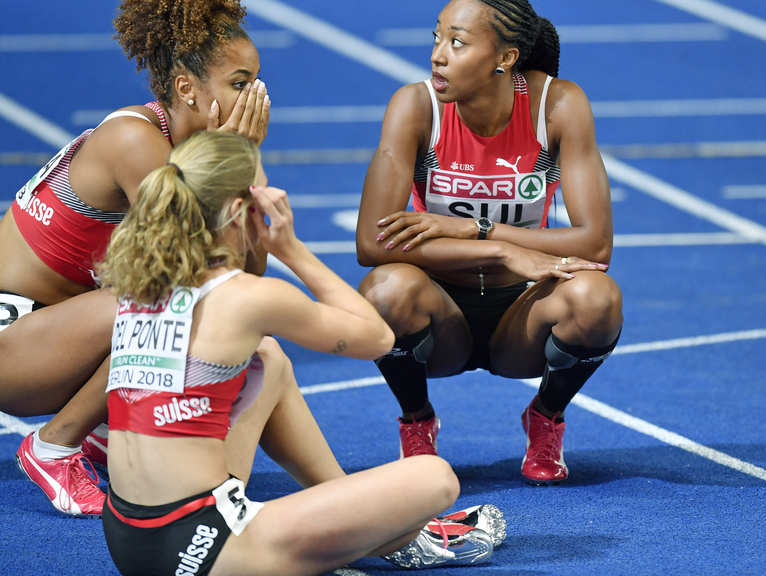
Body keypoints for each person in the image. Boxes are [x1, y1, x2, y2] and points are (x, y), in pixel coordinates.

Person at [99, 130, 503, 575]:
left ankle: (353, 521)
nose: (276, 195)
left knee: (269, 361)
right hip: (202, 546)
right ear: (239, 211)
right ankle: (373, 539)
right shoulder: (248, 298)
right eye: (264, 189)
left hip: (128, 536)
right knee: (435, 478)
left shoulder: (141, 285)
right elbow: (378, 338)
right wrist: (292, 250)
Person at [3, 0, 270, 516]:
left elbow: (248, 274)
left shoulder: (187, 152)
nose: (255, 96)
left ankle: (106, 427)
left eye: (257, 82)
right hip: (13, 338)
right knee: (175, 304)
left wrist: (241, 165)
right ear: (186, 89)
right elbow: (209, 271)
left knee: (216, 309)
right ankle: (55, 445)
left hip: (52, 330)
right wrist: (242, 163)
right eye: (240, 83)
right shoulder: (134, 140)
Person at [356, 0, 623, 484]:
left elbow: (595, 243)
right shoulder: (415, 108)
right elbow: (372, 245)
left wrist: (477, 229)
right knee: (386, 289)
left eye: (457, 43)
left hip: (520, 315)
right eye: (436, 38)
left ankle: (545, 415)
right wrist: (499, 247)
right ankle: (417, 422)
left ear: (505, 57)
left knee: (597, 299)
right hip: (440, 314)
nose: (437, 55)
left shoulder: (555, 106)